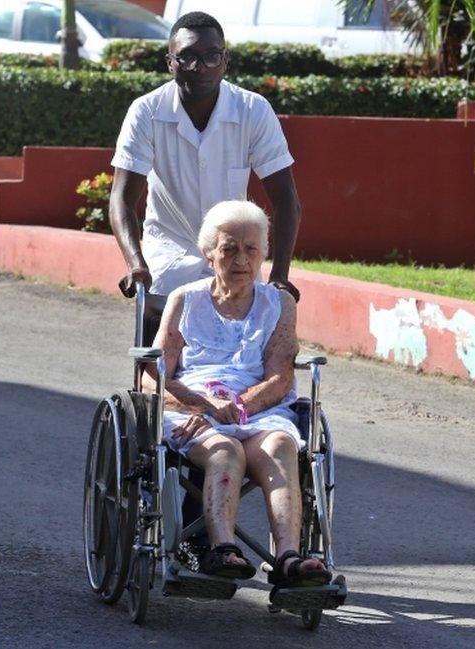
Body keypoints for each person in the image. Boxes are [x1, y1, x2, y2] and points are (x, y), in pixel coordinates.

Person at [152, 200, 329, 588]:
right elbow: (154, 377)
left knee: (282, 445)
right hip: (192, 409)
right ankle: (223, 550)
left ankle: (288, 557)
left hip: (255, 408)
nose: (241, 260)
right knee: (224, 451)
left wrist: (236, 406)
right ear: (208, 253)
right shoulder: (185, 299)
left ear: (264, 253)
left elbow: (280, 377)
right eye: (229, 248)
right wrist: (205, 406)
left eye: (251, 250)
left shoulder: (278, 303)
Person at [109, 10, 302, 343]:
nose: (200, 68)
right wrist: (136, 264)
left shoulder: (253, 110)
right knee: (159, 362)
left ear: (225, 60)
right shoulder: (146, 112)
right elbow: (122, 199)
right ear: (170, 61)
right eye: (187, 57)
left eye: (212, 56)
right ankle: (157, 391)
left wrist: (280, 275)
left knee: (240, 362)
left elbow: (285, 198)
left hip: (234, 257)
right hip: (168, 259)